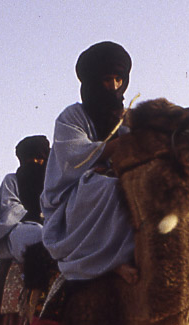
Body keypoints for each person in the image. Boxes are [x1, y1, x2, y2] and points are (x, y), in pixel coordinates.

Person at [41, 41, 138, 283]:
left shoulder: (128, 119)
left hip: (116, 179)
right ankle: (113, 263)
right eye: (107, 80)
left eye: (119, 80)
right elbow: (76, 157)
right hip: (72, 198)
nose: (114, 87)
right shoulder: (71, 117)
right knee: (112, 190)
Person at [0, 135, 51, 263]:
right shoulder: (12, 180)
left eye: (38, 158)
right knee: (32, 234)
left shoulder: (54, 180)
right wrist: (35, 217)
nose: (34, 162)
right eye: (29, 159)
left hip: (54, 225)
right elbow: (9, 209)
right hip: (25, 228)